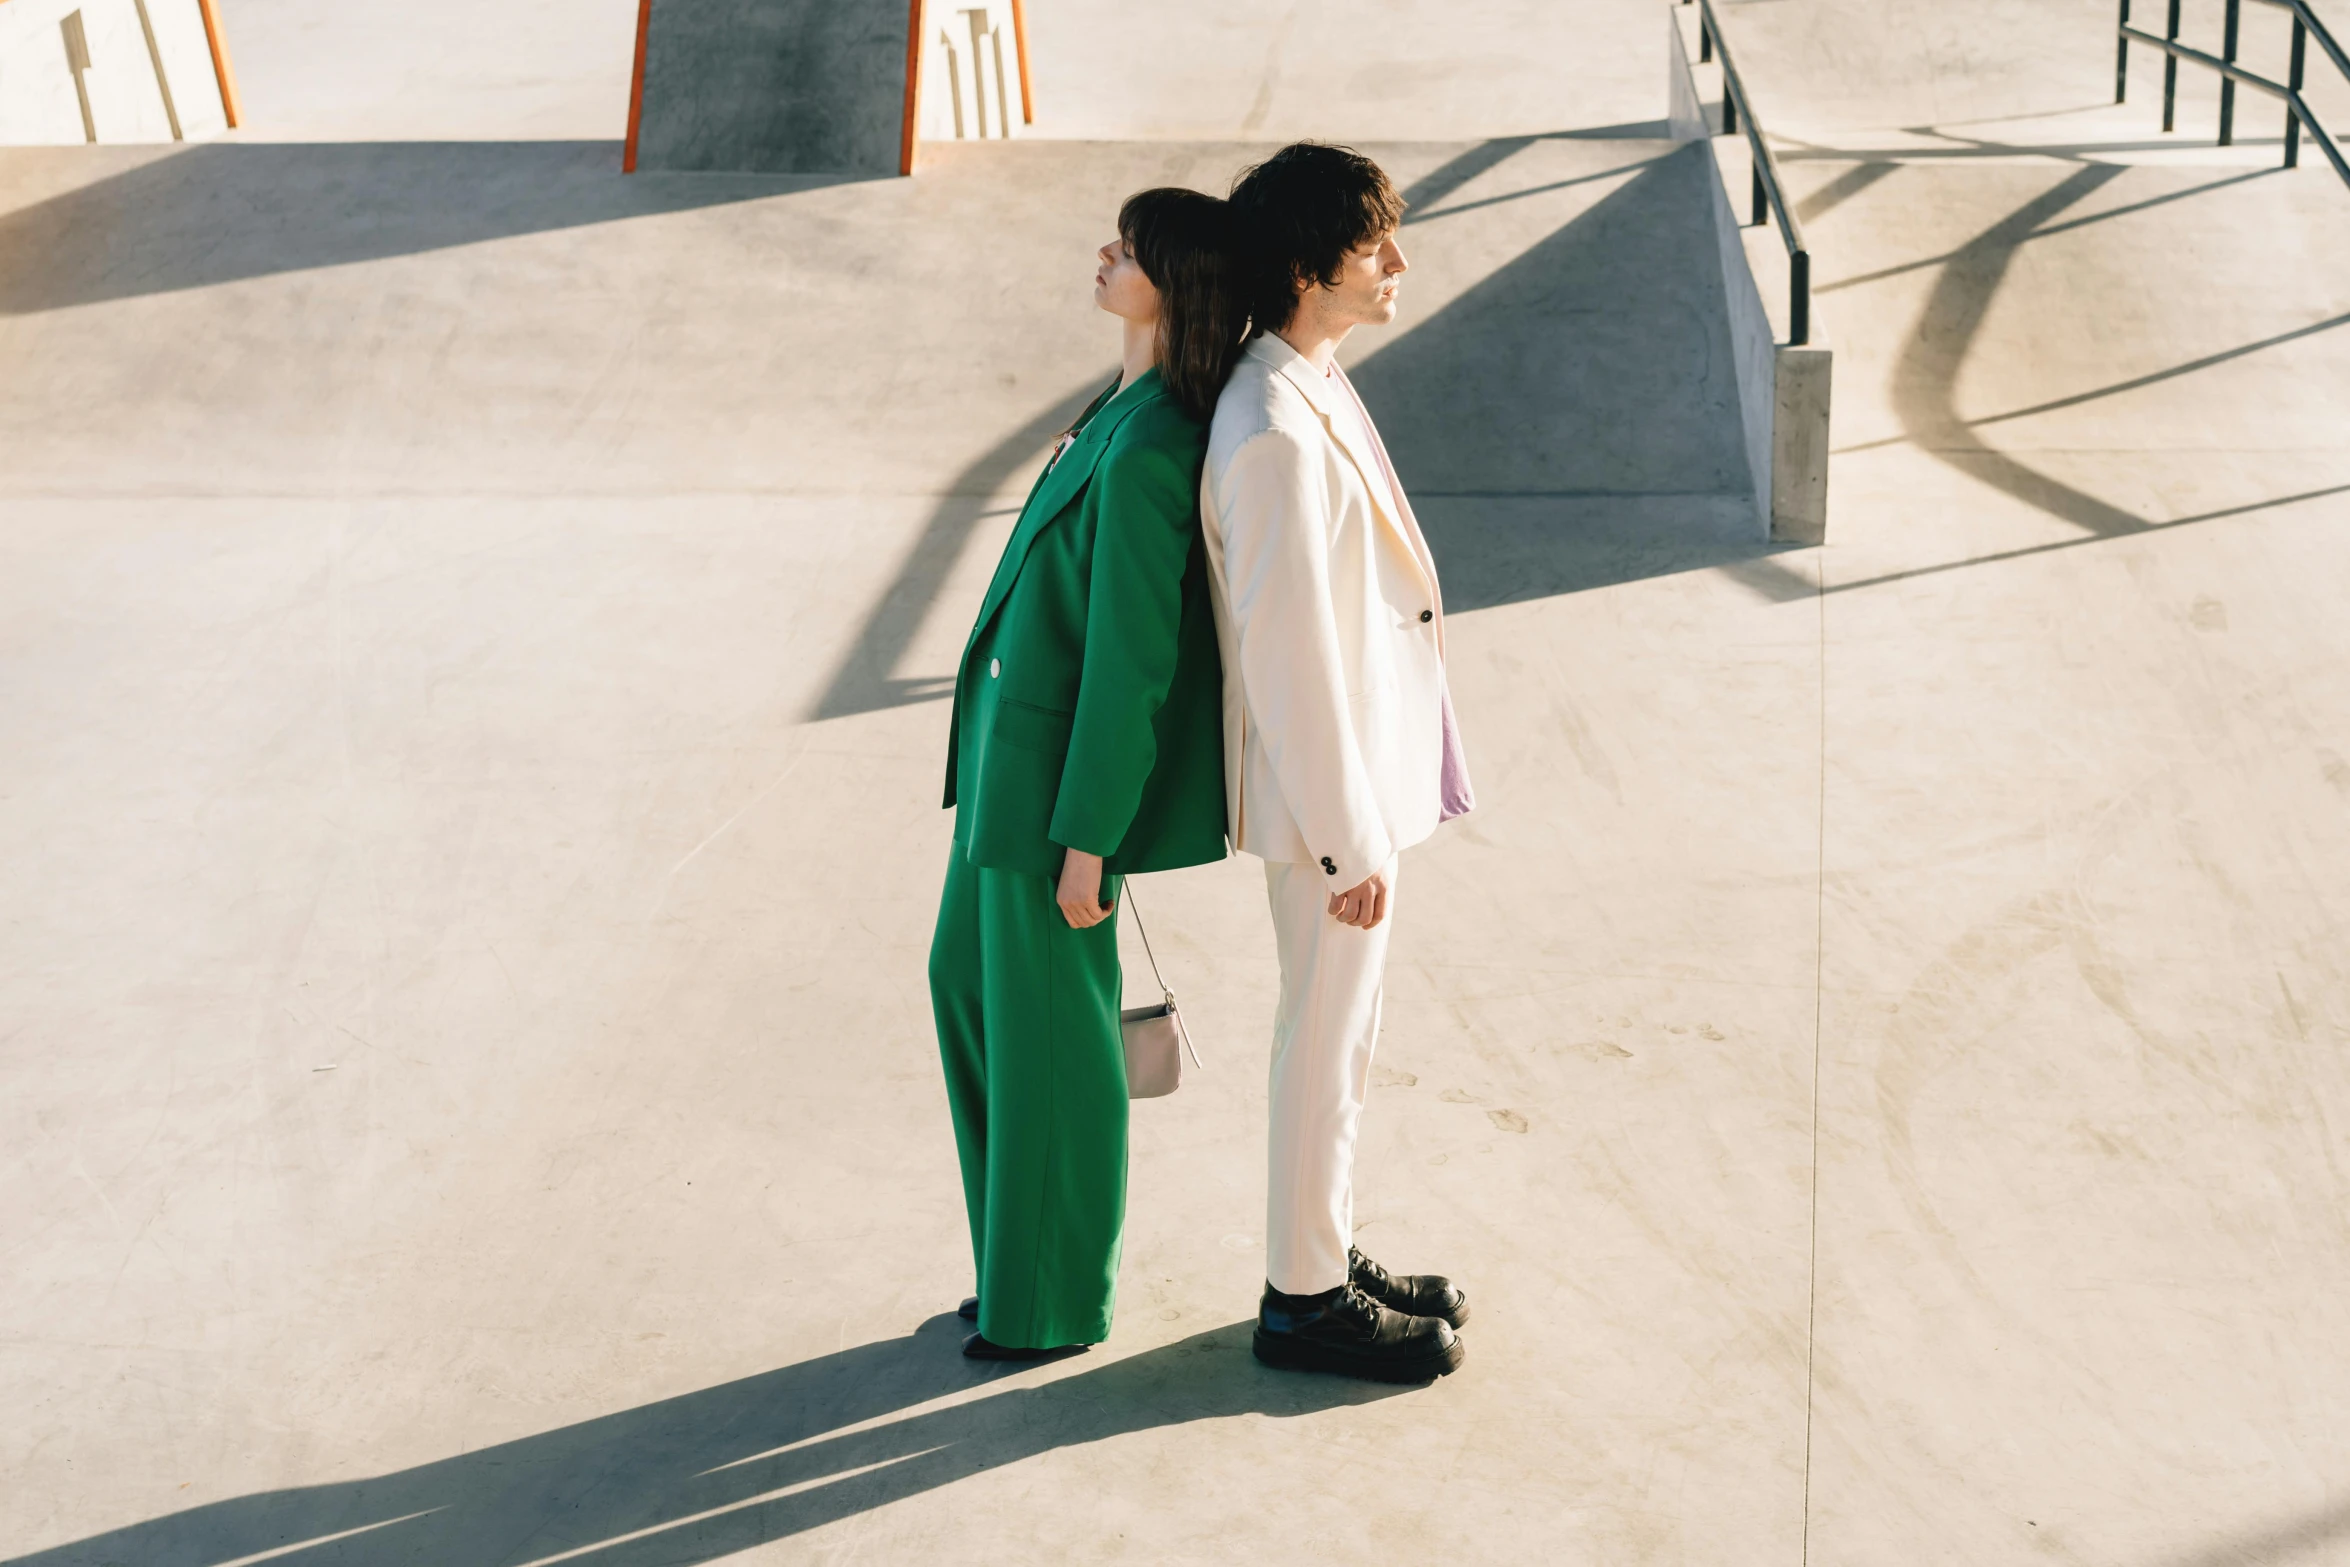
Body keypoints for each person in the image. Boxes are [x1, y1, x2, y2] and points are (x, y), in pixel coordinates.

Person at [930, 188, 1242, 1363]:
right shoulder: (1112, 409)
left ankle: (1051, 1300)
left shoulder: (1160, 439)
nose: (1107, 253)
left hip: (1060, 792)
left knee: (1054, 1037)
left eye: (1134, 246)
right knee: (964, 986)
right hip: (1003, 766)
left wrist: (1091, 837)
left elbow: (1130, 663)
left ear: (1180, 283)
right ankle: (1014, 1256)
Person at [1203, 143, 1477, 1383]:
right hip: (1333, 802)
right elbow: (1285, 653)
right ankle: (1302, 1300)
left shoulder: (1306, 379)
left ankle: (1323, 1249)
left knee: (1343, 1038)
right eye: (1376, 250)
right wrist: (1344, 836)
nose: (1399, 266)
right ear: (1311, 270)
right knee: (1321, 1039)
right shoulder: (1271, 432)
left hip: (1354, 784)